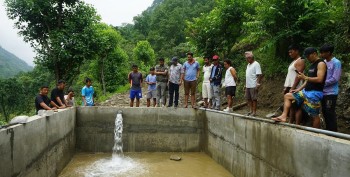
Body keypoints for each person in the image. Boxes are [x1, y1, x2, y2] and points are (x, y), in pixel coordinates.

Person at [273, 47, 327, 129]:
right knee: (288, 96)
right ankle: (283, 116)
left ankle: (317, 132)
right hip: (306, 91)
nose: (307, 58)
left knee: (314, 115)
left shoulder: (321, 64)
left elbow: (320, 79)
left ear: (314, 54)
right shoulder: (312, 65)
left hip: (314, 93)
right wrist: (299, 89)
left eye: (308, 56)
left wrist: (305, 77)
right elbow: (307, 80)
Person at [271, 45, 306, 122]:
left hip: (296, 88)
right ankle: (290, 122)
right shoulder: (294, 61)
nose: (290, 54)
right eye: (289, 52)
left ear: (297, 51)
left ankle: (297, 125)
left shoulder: (300, 61)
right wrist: (286, 87)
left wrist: (293, 88)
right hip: (290, 87)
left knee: (297, 107)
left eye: (291, 52)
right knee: (291, 107)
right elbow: (290, 75)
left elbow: (298, 76)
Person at [320, 44, 342, 131]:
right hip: (323, 92)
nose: (321, 54)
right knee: (325, 112)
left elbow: (335, 78)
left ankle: (333, 132)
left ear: (329, 52)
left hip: (331, 93)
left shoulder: (336, 62)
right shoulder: (323, 62)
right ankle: (328, 131)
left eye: (323, 53)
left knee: (330, 112)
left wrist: (322, 83)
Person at [244, 51, 262, 116]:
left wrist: (257, 84)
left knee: (254, 99)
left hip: (253, 84)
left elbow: (259, 75)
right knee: (248, 98)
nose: (247, 59)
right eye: (246, 58)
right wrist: (245, 85)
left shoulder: (256, 64)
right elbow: (247, 75)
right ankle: (250, 110)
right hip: (248, 85)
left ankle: (254, 112)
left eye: (248, 58)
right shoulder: (248, 65)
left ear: (251, 57)